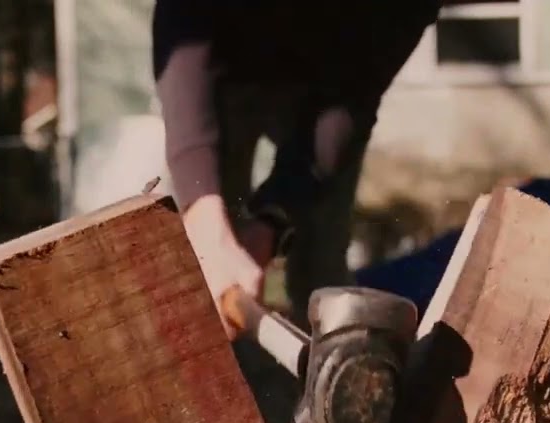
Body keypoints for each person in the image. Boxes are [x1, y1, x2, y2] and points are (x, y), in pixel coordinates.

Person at [151, 0, 442, 332]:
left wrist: (271, 222)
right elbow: (184, 17)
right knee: (204, 266)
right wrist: (203, 209)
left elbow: (350, 103)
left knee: (321, 266)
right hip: (220, 70)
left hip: (330, 91)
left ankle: (336, 353)